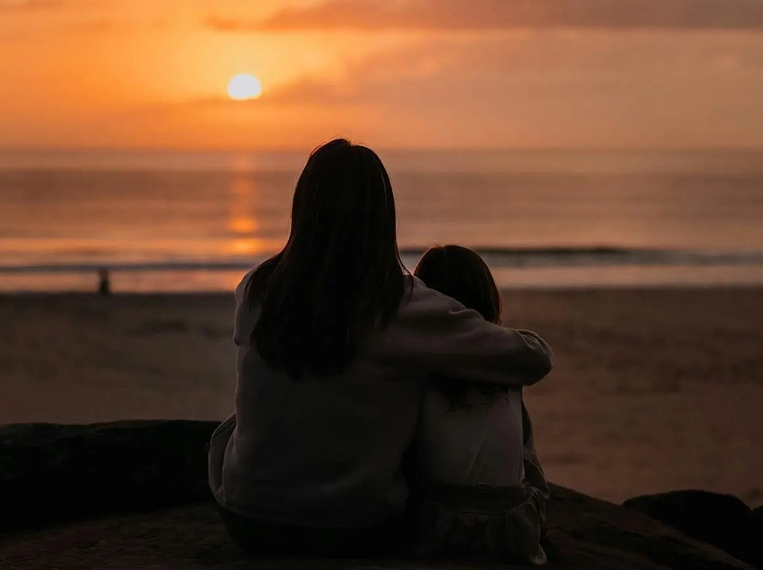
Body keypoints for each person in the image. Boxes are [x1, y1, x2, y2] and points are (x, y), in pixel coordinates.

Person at [208, 139, 554, 557]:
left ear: (302, 207)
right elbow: (533, 359)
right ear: (382, 216)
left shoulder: (256, 288)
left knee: (233, 425)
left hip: (246, 519)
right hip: (351, 530)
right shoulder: (403, 305)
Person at [409, 245, 550, 565]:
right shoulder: (507, 363)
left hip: (439, 527)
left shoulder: (420, 365)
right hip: (514, 525)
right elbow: (539, 353)